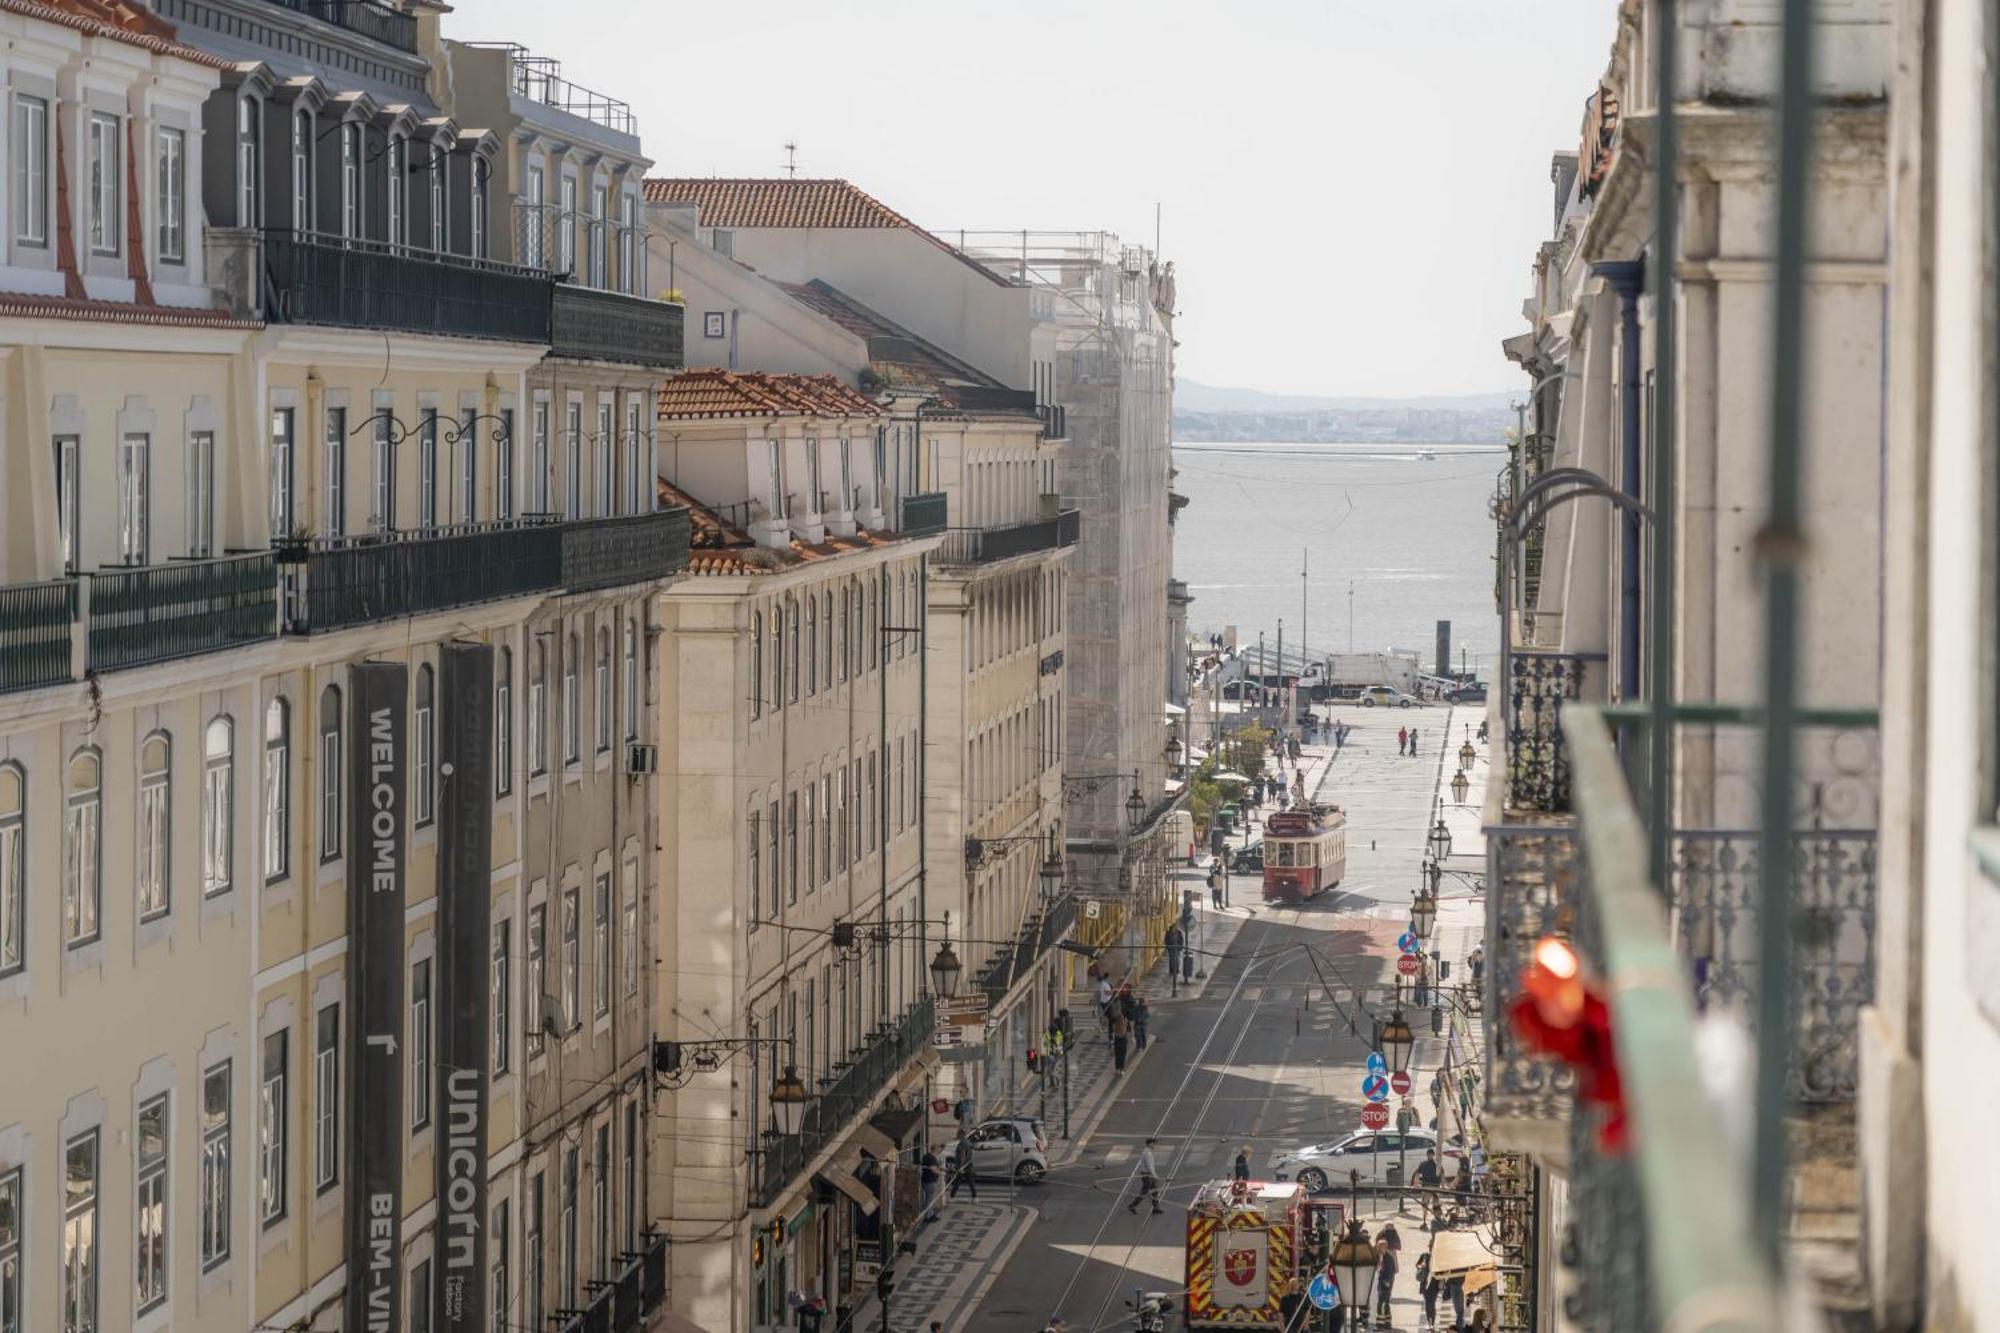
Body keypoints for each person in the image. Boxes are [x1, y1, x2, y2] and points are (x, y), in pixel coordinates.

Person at [1127, 1138, 1164, 1214]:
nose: (1154, 1145)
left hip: (1147, 1174)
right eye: (1153, 1143)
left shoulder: (1147, 1152)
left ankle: (1156, 1208)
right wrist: (1155, 1176)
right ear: (1149, 1144)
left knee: (1154, 1191)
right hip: (1147, 1175)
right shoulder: (1148, 1153)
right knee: (1144, 1192)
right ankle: (1132, 1205)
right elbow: (1149, 1166)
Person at [1375, 1228, 1400, 1324]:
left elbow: (1390, 1271)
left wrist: (1387, 1281)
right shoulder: (1378, 1256)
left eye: (1383, 1247)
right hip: (1379, 1282)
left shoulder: (1388, 1257)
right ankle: (1387, 1322)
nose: (1381, 1249)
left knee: (1382, 1302)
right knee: (1384, 1302)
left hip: (1385, 1283)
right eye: (1379, 1247)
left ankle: (1381, 1323)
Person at [949, 1127, 978, 1201]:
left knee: (958, 1181)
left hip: (963, 1165)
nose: (957, 1135)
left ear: (961, 1134)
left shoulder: (962, 1143)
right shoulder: (968, 1142)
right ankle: (974, 1197)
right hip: (968, 1164)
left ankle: (952, 1197)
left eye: (957, 1134)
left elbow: (963, 1155)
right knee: (969, 1181)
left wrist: (961, 1167)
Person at [1416, 1251, 1438, 1330]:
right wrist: (1421, 1266)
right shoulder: (1424, 1255)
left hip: (1434, 1285)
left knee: (1431, 1304)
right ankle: (1430, 1322)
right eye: (1430, 1247)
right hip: (1425, 1284)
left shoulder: (1438, 1256)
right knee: (1428, 1304)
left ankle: (1432, 1323)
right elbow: (1417, 1265)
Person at [919, 1147, 942, 1220]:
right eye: (939, 1151)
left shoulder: (925, 1156)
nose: (939, 1152)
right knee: (929, 1199)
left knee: (929, 1199)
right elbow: (933, 1169)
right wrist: (940, 1173)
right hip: (930, 1181)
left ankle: (930, 1213)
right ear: (935, 1150)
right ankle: (928, 1216)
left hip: (925, 1180)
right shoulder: (931, 1158)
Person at [1111, 1008, 1131, 1073]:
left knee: (1118, 1055)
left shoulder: (1116, 1019)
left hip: (1117, 1039)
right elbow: (1128, 1031)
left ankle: (1118, 1068)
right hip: (1122, 1039)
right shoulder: (1125, 1021)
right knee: (1122, 1055)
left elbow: (1113, 1028)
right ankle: (1121, 1068)